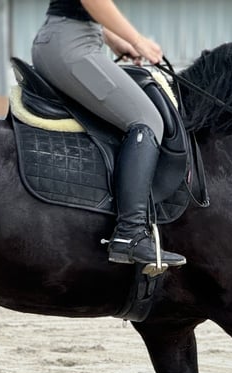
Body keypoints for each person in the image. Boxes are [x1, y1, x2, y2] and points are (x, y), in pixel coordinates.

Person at [31, 0, 186, 269]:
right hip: (72, 45)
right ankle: (130, 233)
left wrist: (113, 39)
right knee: (147, 120)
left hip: (71, 39)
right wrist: (138, 41)